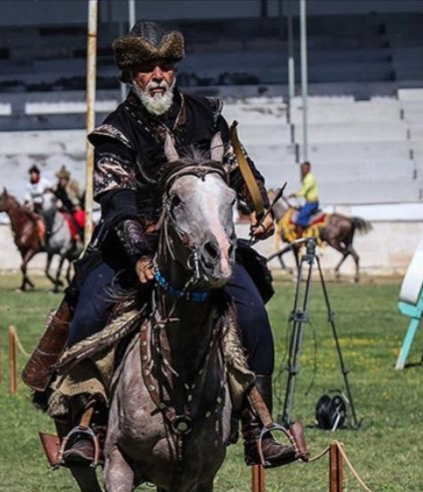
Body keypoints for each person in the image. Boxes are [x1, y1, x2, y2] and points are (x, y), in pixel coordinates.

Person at [53, 20, 295, 468]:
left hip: (205, 245)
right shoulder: (116, 131)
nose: (158, 74)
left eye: (165, 65)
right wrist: (139, 253)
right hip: (131, 246)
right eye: (147, 67)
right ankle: (90, 424)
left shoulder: (207, 115)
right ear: (130, 74)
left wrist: (260, 210)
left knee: (254, 314)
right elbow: (117, 200)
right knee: (88, 313)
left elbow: (241, 171)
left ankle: (257, 427)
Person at [53, 166, 85, 234]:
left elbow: (82, 196)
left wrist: (79, 206)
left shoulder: (74, 186)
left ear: (67, 179)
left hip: (76, 210)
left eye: (62, 179)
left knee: (79, 218)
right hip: (64, 211)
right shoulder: (57, 189)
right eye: (59, 179)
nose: (60, 181)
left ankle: (81, 236)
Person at [292, 161, 319, 236]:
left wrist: (294, 194)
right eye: (302, 168)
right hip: (308, 202)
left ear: (309, 168)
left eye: (305, 168)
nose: (303, 170)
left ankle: (299, 240)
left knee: (300, 218)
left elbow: (303, 192)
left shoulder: (309, 178)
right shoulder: (306, 178)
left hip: (312, 203)